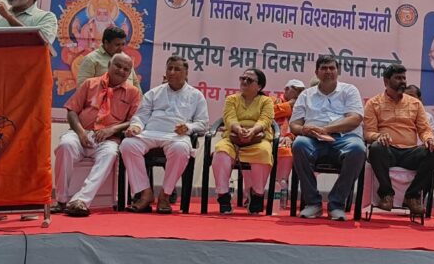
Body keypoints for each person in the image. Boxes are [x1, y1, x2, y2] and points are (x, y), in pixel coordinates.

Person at [54, 54, 141, 217]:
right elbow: (72, 110)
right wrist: (80, 132)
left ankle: (81, 201)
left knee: (110, 154)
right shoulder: (90, 84)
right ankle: (61, 200)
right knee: (65, 145)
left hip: (108, 139)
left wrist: (112, 129)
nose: (121, 71)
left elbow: (135, 120)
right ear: (109, 65)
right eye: (118, 66)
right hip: (81, 134)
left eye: (126, 69)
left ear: (130, 73)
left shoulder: (133, 92)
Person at [121, 56, 209, 214]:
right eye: (170, 68)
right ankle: (145, 193)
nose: (172, 72)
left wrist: (188, 127)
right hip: (150, 133)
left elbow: (203, 123)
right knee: (127, 145)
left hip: (176, 136)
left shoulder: (196, 95)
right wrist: (136, 127)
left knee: (181, 149)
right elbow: (141, 116)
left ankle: (165, 195)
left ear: (186, 73)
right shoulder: (154, 93)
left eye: (177, 69)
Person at [289, 55, 367, 221]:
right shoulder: (306, 95)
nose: (328, 71)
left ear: (338, 71)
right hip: (313, 140)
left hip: (344, 138)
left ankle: (336, 204)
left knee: (358, 149)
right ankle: (313, 203)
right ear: (317, 72)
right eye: (324, 68)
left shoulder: (349, 91)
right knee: (299, 144)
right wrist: (304, 130)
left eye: (332, 68)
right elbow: (294, 125)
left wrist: (326, 129)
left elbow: (355, 119)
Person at [363, 64, 434, 217]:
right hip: (387, 151)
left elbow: (424, 130)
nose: (402, 82)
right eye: (398, 78)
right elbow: (368, 133)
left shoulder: (415, 103)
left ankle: (412, 196)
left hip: (410, 153)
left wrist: (429, 139)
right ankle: (386, 194)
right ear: (386, 81)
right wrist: (378, 136)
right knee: (376, 148)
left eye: (404, 78)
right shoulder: (373, 103)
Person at [211, 68, 275, 214]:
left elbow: (265, 120)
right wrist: (239, 129)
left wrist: (252, 131)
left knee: (264, 152)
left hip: (257, 138)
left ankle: (257, 195)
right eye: (242, 78)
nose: (244, 82)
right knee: (220, 151)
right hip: (233, 138)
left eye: (249, 80)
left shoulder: (266, 101)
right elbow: (229, 118)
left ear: (259, 86)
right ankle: (223, 196)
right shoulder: (231, 99)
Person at [272, 79, 305, 208]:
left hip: (289, 141)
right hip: (268, 138)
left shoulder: (301, 105)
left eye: (301, 91)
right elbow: (269, 114)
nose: (299, 93)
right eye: (296, 90)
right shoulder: (272, 100)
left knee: (286, 150)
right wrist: (289, 105)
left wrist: (290, 137)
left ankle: (281, 188)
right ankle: (251, 194)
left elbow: (302, 125)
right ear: (286, 89)